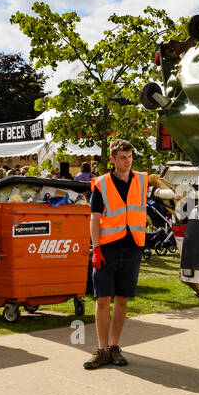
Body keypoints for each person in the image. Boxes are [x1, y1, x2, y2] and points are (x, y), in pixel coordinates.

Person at [83, 139, 149, 370]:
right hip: (107, 249)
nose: (127, 161)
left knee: (122, 299)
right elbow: (94, 219)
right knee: (102, 299)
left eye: (130, 156)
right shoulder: (101, 184)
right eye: (123, 157)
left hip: (132, 247)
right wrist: (96, 248)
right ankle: (101, 350)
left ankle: (114, 347)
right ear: (113, 159)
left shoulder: (141, 179)